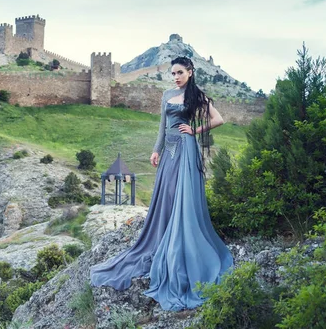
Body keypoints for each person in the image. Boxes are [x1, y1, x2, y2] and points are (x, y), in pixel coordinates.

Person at [90, 56, 233, 311]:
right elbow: (161, 126)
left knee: (182, 194)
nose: (176, 77)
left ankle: (181, 239)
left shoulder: (197, 95)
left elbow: (218, 119)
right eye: (173, 73)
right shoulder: (167, 93)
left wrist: (194, 130)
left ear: (190, 72)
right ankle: (164, 232)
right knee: (167, 193)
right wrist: (155, 150)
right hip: (167, 151)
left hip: (186, 149)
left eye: (180, 72)